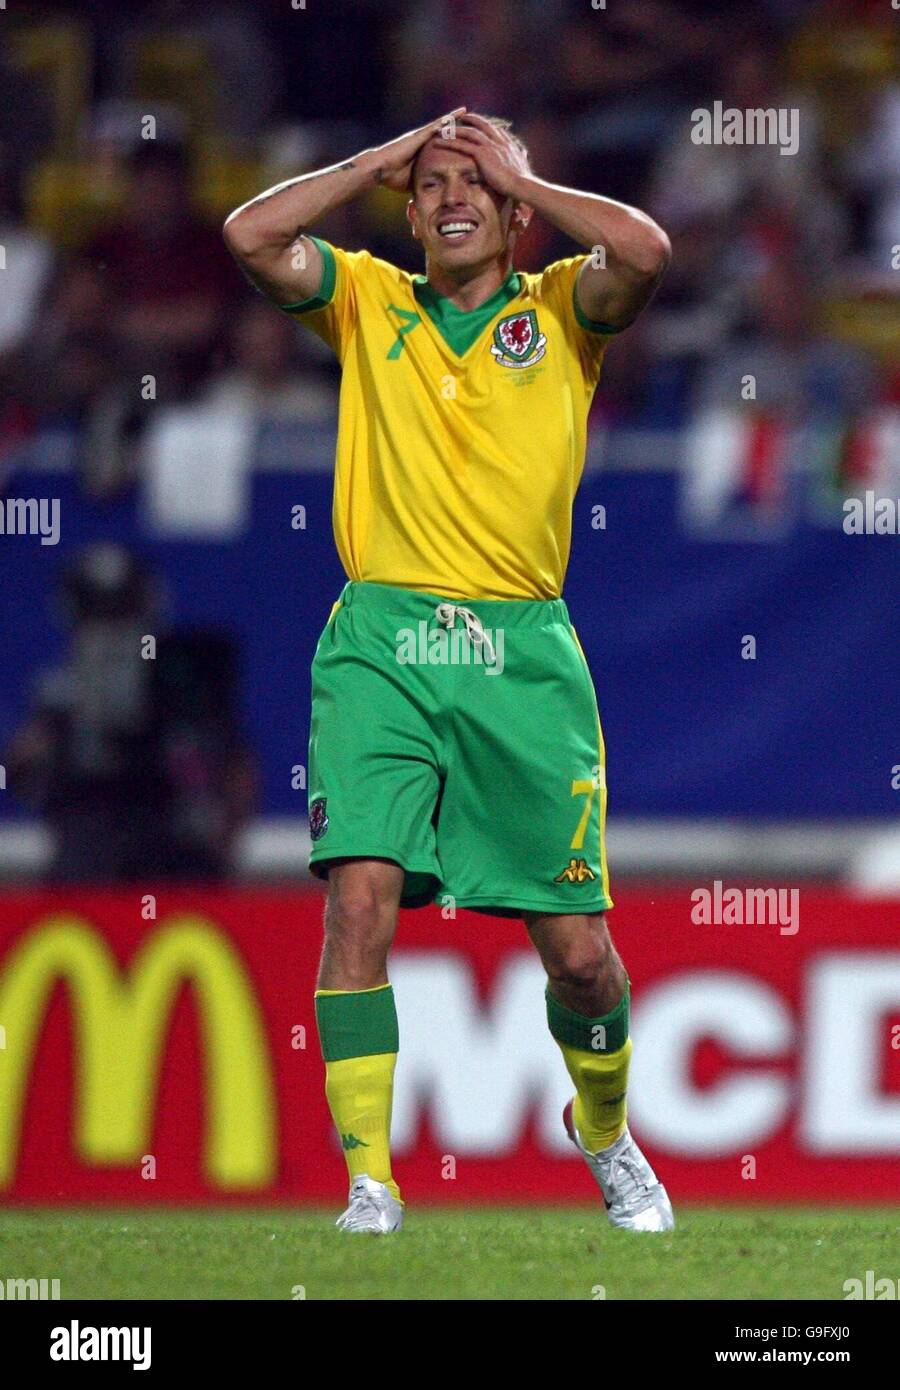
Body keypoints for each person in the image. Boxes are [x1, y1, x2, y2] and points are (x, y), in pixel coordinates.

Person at [224, 109, 673, 1234]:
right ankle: (370, 1181)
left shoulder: (561, 307)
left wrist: (532, 177)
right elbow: (249, 235)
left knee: (581, 958)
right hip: (381, 643)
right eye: (430, 184)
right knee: (357, 901)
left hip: (520, 656)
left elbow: (648, 251)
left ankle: (605, 1131)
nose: (452, 197)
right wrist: (366, 164)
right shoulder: (367, 298)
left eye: (478, 183)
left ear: (516, 213)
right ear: (410, 211)